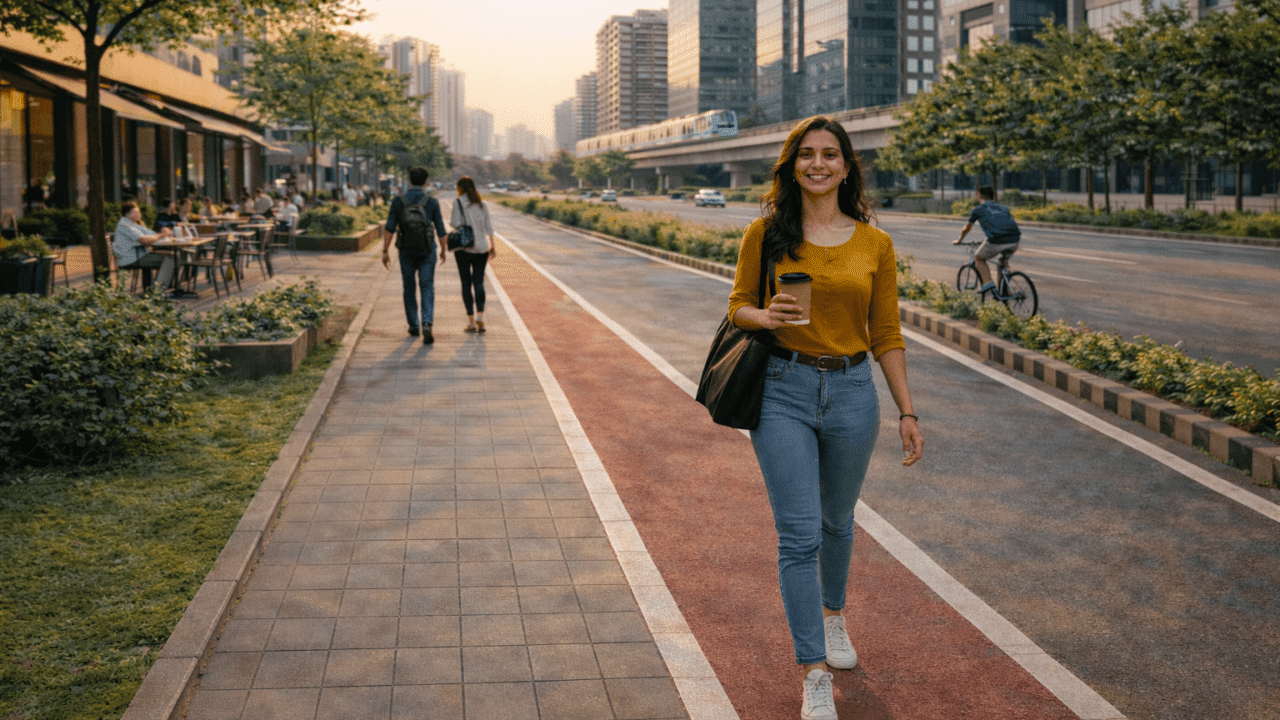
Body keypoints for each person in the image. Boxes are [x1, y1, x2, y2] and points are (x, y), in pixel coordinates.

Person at [727, 116, 924, 720]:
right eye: (806, 155)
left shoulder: (875, 244)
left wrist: (906, 410)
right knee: (799, 535)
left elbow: (887, 333)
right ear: (792, 165)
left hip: (852, 392)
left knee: (838, 522)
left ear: (846, 166)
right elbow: (737, 306)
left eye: (830, 155)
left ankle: (833, 615)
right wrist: (763, 317)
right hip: (783, 388)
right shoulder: (766, 234)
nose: (818, 164)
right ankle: (812, 668)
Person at [382, 167, 446, 344]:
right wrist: (443, 249)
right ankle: (427, 322)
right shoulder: (431, 202)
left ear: (409, 180)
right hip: (427, 251)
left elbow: (389, 228)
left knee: (408, 287)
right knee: (427, 286)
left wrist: (385, 251)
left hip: (406, 251)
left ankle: (413, 325)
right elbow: (441, 229)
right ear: (427, 182)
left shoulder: (398, 201)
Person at [443, 176, 497, 333]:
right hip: (482, 248)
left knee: (466, 284)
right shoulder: (482, 204)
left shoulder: (458, 202)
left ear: (460, 188)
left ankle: (471, 321)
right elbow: (489, 227)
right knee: (479, 282)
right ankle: (481, 318)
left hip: (465, 249)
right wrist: (492, 246)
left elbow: (455, 223)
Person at [952, 185, 1021, 294]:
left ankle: (987, 283)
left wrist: (959, 240)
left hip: (997, 240)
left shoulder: (978, 210)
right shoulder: (1004, 208)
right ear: (993, 196)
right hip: (1015, 240)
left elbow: (967, 228)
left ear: (979, 196)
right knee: (1003, 262)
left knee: (978, 257)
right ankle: (1005, 290)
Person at [113, 201, 177, 294]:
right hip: (132, 258)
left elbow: (151, 235)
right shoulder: (125, 225)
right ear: (127, 214)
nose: (139, 214)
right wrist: (161, 235)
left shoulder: (133, 224)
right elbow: (144, 240)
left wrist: (163, 233)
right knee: (171, 258)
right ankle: (158, 291)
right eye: (136, 212)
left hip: (138, 255)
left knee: (170, 255)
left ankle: (155, 287)